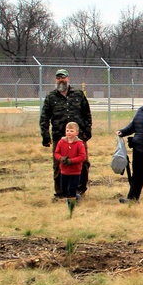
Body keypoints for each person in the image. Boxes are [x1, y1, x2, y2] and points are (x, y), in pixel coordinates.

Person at [40, 68, 92, 199]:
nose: (61, 80)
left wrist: (87, 131)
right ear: (56, 80)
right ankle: (60, 193)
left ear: (68, 79)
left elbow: (87, 113)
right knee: (59, 165)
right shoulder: (51, 97)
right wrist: (45, 135)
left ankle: (79, 191)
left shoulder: (78, 94)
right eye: (58, 78)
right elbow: (44, 117)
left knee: (83, 163)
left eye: (63, 77)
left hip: (78, 138)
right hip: (60, 137)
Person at [54, 121, 88, 208]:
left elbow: (83, 157)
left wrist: (71, 161)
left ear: (77, 132)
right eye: (67, 130)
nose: (69, 133)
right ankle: (76, 197)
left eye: (71, 131)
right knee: (64, 190)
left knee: (72, 189)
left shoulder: (79, 144)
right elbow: (56, 153)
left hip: (75, 171)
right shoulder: (61, 142)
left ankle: (71, 206)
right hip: (64, 171)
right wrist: (61, 158)